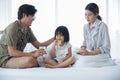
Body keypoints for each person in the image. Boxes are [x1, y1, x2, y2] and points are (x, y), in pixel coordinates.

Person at [0, 4, 54, 68]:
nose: (34, 19)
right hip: (7, 59)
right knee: (29, 60)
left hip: (17, 57)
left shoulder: (27, 29)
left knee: (42, 52)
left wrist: (55, 37)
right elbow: (12, 52)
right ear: (24, 15)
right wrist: (33, 54)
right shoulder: (13, 28)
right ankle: (51, 62)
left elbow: (39, 45)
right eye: (32, 16)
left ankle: (52, 62)